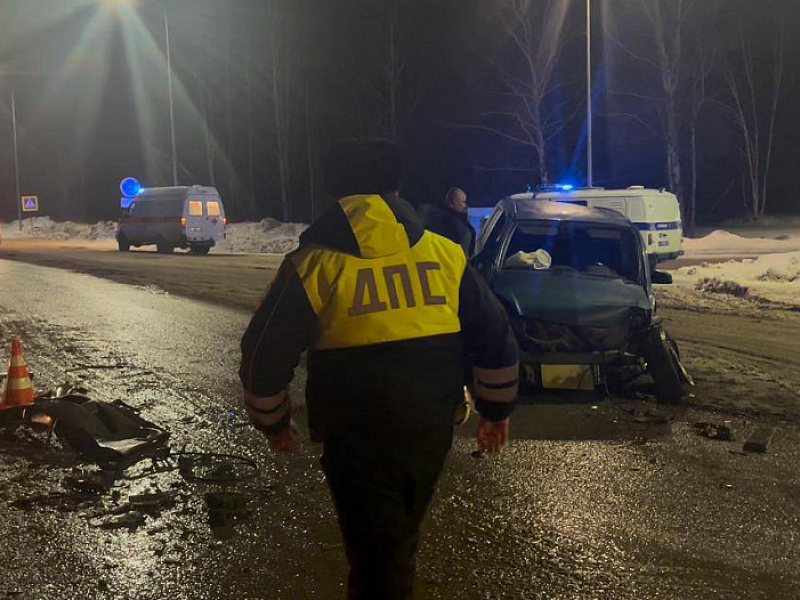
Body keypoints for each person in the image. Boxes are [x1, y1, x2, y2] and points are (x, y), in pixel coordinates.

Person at [239, 139, 519, 600]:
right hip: (430, 428)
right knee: (395, 539)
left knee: (379, 555)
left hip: (355, 437)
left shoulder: (312, 266)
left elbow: (263, 356)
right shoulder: (445, 254)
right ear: (396, 188)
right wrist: (495, 410)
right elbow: (494, 336)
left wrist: (274, 422)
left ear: (334, 192)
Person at [417, 186, 476, 257]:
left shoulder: (430, 215)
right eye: (463, 202)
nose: (465, 206)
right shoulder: (459, 226)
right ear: (454, 201)